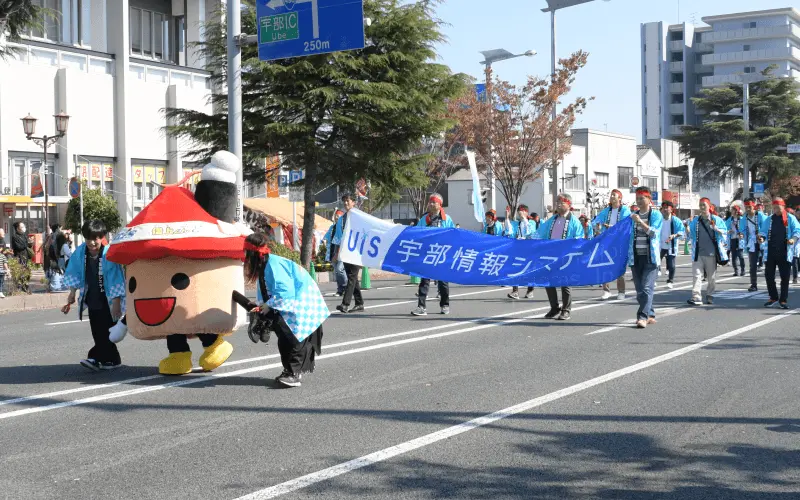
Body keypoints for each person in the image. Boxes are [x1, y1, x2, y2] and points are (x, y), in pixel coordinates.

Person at [242, 233, 327, 388]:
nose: (244, 256)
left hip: (303, 301)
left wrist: (268, 306)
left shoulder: (274, 264)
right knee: (284, 335)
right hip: (289, 301)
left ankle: (294, 373)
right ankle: (289, 370)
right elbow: (267, 289)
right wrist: (262, 306)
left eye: (246, 252)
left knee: (293, 336)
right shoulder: (265, 263)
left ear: (252, 252)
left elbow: (285, 292)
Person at [61, 220, 126, 371]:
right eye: (89, 238)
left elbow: (116, 277)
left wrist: (116, 302)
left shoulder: (108, 253)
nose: (92, 242)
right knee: (97, 330)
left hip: (107, 299)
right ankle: (112, 359)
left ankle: (96, 357)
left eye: (96, 238)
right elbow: (74, 271)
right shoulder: (81, 252)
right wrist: (72, 293)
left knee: (106, 330)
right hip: (91, 297)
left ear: (102, 237)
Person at [536, 194, 583, 321]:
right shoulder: (552, 220)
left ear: (569, 204)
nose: (558, 204)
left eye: (561, 202)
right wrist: (525, 239)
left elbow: (579, 239)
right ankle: (554, 307)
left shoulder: (574, 222)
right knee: (549, 282)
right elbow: (539, 233)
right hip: (551, 256)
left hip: (566, 256)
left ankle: (566, 310)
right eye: (557, 201)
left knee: (565, 283)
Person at [412, 193, 455, 316]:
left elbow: (453, 236)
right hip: (427, 254)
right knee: (424, 281)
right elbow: (417, 234)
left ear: (440, 204)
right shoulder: (424, 219)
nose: (431, 204)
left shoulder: (447, 219)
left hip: (442, 254)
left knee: (443, 282)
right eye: (430, 202)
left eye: (434, 202)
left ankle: (445, 305)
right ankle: (421, 307)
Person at [628, 188, 663, 328]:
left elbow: (654, 233)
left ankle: (642, 317)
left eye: (642, 198)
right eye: (638, 198)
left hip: (650, 257)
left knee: (647, 287)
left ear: (649, 199)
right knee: (639, 290)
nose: (639, 200)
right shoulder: (632, 216)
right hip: (635, 256)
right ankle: (651, 313)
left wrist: (640, 222)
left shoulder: (656, 215)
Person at [758, 198, 800, 309]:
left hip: (785, 251)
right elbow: (763, 231)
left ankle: (783, 300)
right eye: (774, 207)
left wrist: (793, 239)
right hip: (771, 251)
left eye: (778, 207)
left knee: (785, 277)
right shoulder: (770, 219)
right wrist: (761, 238)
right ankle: (773, 297)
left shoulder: (790, 218)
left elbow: (797, 230)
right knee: (769, 275)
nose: (776, 209)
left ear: (783, 206)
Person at [687, 198, 727, 306]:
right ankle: (696, 297)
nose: (702, 207)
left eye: (704, 205)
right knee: (696, 275)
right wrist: (687, 232)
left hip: (711, 253)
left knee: (711, 277)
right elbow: (690, 234)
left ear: (709, 206)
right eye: (700, 205)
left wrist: (716, 229)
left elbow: (724, 233)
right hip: (698, 253)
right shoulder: (696, 220)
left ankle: (710, 294)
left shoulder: (716, 219)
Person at [592, 189, 631, 300]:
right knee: (604, 266)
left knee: (619, 267)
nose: (612, 196)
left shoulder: (624, 210)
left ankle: (621, 291)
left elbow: (624, 225)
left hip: (619, 242)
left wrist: (610, 226)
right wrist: (598, 224)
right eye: (611, 195)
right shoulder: (606, 211)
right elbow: (595, 221)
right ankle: (606, 290)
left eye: (614, 195)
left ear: (619, 198)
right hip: (607, 242)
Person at [335, 194, 364, 314]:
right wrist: (336, 253)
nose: (346, 203)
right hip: (346, 252)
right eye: (344, 201)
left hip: (356, 252)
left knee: (351, 277)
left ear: (353, 203)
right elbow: (338, 237)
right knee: (353, 278)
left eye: (348, 201)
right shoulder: (342, 219)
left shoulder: (360, 217)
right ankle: (359, 303)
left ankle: (345, 304)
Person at [505, 204, 535, 300]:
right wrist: (506, 218)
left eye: (522, 212)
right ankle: (515, 291)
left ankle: (530, 290)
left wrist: (525, 219)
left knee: (529, 270)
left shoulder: (532, 222)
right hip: (518, 249)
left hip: (529, 249)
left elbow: (530, 233)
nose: (520, 214)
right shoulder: (517, 223)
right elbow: (509, 231)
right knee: (515, 269)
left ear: (526, 212)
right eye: (519, 212)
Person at [741, 198, 768, 292]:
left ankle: (770, 284)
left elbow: (766, 227)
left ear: (754, 206)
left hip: (762, 240)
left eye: (750, 207)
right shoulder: (744, 217)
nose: (748, 209)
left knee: (768, 263)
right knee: (752, 265)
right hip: (752, 242)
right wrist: (742, 234)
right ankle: (753, 284)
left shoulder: (760, 215)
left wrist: (761, 235)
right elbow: (742, 229)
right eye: (746, 207)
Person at [659, 201, 685, 289]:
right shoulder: (658, 219)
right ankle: (653, 278)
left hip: (671, 245)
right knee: (655, 262)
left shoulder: (675, 220)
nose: (665, 209)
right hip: (659, 245)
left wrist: (674, 235)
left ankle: (670, 280)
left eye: (667, 207)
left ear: (671, 209)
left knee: (671, 264)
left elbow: (682, 231)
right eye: (663, 208)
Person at [323, 209, 347, 296]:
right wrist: (325, 240)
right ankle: (340, 290)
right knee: (337, 271)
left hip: (342, 251)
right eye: (336, 216)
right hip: (333, 251)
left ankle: (346, 286)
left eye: (338, 216)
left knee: (340, 269)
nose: (336, 217)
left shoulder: (344, 227)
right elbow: (327, 236)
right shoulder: (332, 227)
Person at [726, 206, 745, 276]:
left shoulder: (742, 219)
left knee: (740, 255)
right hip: (732, 239)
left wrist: (742, 234)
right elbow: (725, 227)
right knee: (733, 256)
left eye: (733, 210)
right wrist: (728, 231)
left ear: (737, 211)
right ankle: (736, 271)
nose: (732, 211)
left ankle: (743, 270)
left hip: (740, 239)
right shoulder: (730, 219)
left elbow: (745, 229)